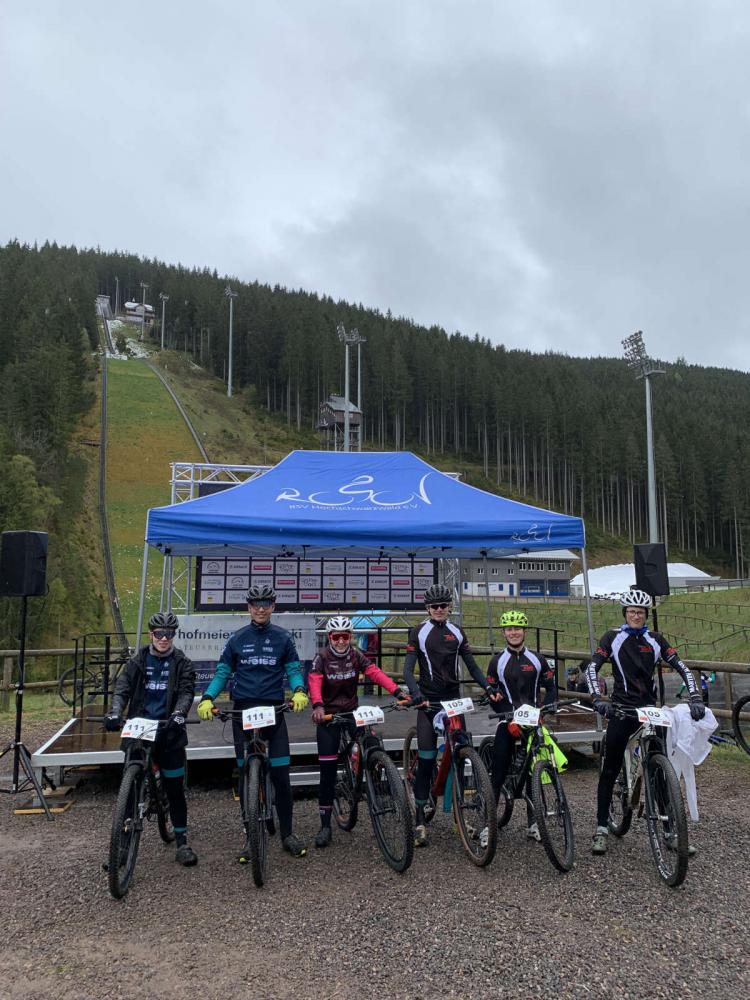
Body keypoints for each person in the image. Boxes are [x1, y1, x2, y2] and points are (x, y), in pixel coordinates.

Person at [586, 588, 706, 856]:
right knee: (609, 768)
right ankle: (601, 828)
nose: (636, 616)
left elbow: (682, 667)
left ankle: (669, 832)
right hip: (622, 709)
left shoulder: (655, 639)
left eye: (640, 612)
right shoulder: (613, 638)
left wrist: (695, 697)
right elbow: (592, 668)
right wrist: (597, 697)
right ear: (625, 614)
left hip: (650, 710)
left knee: (660, 770)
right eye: (631, 612)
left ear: (646, 615)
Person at [197, 584, 310, 859]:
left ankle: (287, 834)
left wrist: (298, 691)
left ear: (273, 607)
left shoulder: (283, 638)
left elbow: (294, 670)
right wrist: (208, 697)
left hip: (273, 711)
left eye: (266, 603)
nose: (261, 608)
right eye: (256, 604)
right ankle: (250, 838)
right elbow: (223, 672)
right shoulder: (237, 639)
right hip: (243, 712)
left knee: (282, 777)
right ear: (248, 608)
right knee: (246, 778)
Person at [308, 615, 410, 848]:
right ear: (330, 638)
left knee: (373, 741)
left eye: (346, 636)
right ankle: (325, 825)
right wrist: (317, 705)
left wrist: (397, 692)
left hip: (351, 712)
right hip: (328, 717)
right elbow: (314, 681)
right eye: (337, 637)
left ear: (351, 637)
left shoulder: (356, 656)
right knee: (328, 771)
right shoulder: (321, 657)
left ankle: (376, 783)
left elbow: (375, 673)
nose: (342, 641)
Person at [105, 611, 198, 866]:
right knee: (130, 788)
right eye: (159, 634)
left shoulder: (182, 662)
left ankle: (182, 842)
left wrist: (180, 713)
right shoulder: (138, 660)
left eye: (169, 634)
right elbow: (122, 688)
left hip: (168, 730)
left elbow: (186, 692)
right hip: (140, 729)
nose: (164, 638)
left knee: (174, 789)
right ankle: (121, 849)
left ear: (174, 635)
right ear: (151, 635)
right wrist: (115, 712)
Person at [403, 583, 492, 847]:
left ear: (449, 607)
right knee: (429, 758)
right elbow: (408, 671)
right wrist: (416, 693)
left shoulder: (457, 631)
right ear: (427, 609)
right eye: (434, 607)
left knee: (461, 753)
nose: (439, 610)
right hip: (429, 701)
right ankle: (419, 817)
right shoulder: (418, 632)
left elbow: (473, 666)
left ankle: (459, 816)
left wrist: (488, 688)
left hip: (454, 701)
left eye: (443, 606)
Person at [486, 610, 557, 842]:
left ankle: (534, 823)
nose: (514, 632)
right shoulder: (497, 661)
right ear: (504, 632)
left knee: (531, 775)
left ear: (525, 631)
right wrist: (507, 718)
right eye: (509, 629)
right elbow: (492, 696)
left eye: (518, 628)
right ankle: (489, 825)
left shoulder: (538, 659)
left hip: (533, 722)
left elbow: (552, 687)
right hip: (508, 721)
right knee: (497, 773)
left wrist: (547, 709)